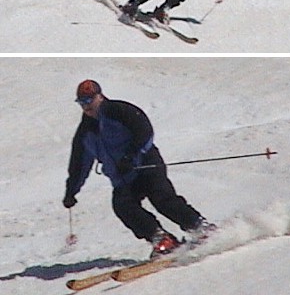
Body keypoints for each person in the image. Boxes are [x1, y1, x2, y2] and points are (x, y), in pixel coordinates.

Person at [63, 80, 214, 257]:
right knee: (123, 206)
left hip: (146, 164)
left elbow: (144, 130)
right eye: (82, 103)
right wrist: (71, 191)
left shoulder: (118, 111)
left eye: (89, 101)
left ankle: (199, 228)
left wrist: (131, 155)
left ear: (100, 96)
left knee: (162, 198)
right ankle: (162, 240)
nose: (86, 106)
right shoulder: (85, 133)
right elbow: (79, 165)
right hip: (124, 177)